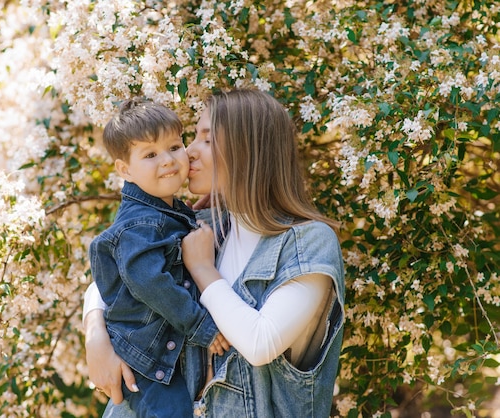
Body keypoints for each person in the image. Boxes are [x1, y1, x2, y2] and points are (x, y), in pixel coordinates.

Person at [84, 89, 345, 417]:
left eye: (206, 141)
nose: (188, 152)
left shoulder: (307, 243)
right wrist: (95, 336)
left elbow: (260, 342)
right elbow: (126, 270)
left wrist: (203, 270)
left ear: (248, 152)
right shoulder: (202, 226)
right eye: (191, 139)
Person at [87, 98, 228, 418]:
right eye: (150, 154)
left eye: (174, 147)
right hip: (143, 362)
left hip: (155, 356)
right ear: (125, 170)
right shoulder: (141, 223)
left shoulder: (167, 213)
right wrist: (201, 326)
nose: (167, 160)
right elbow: (149, 281)